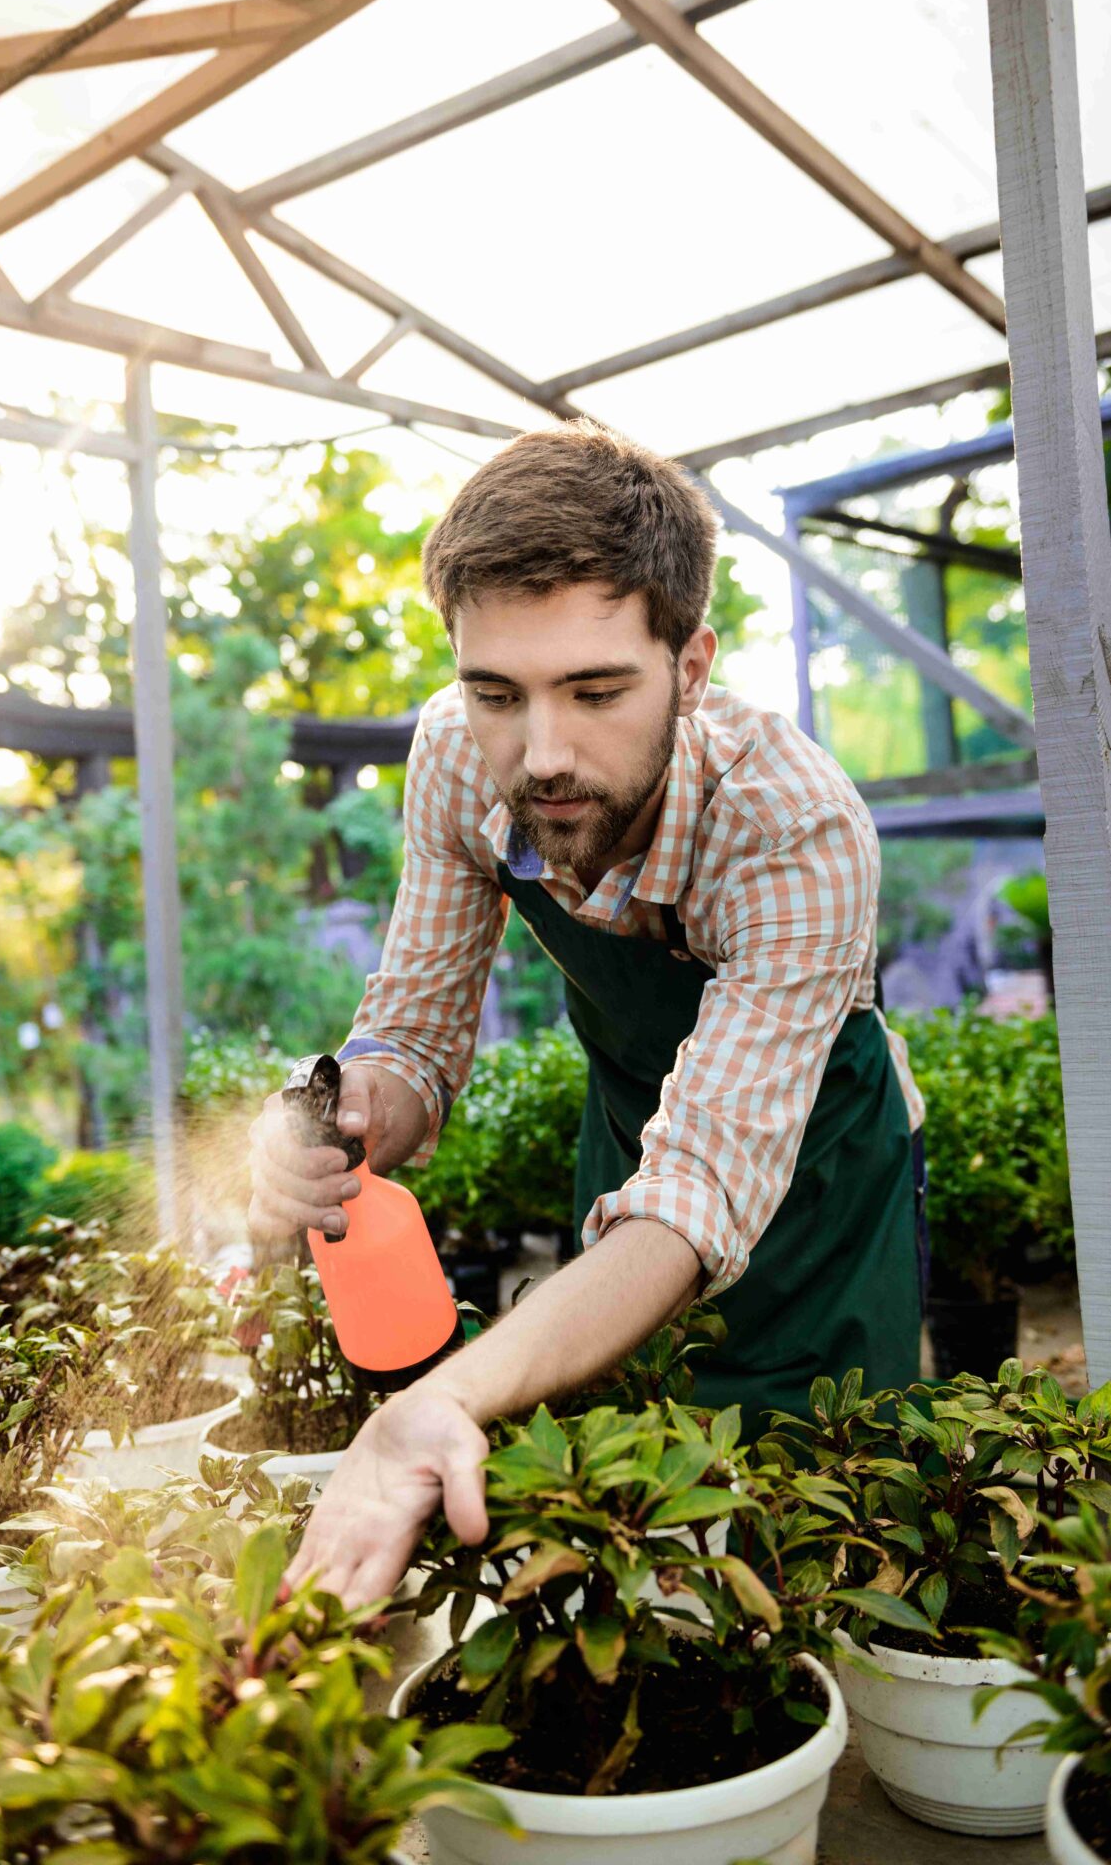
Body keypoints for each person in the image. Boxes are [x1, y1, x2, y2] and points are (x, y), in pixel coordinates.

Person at [248, 421, 925, 1609]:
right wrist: (344, 1117)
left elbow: (700, 1188)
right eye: (497, 691)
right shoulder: (460, 757)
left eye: (596, 690)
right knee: (628, 1508)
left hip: (823, 1176)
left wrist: (445, 1396)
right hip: (630, 1140)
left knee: (819, 1537)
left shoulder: (795, 830)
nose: (541, 753)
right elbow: (412, 1034)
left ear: (693, 665)